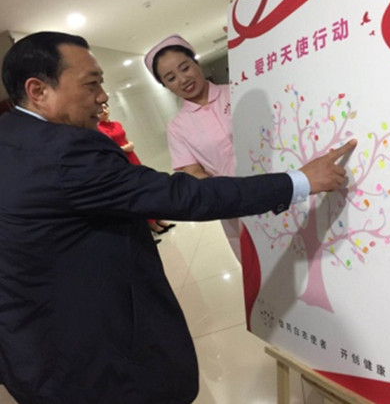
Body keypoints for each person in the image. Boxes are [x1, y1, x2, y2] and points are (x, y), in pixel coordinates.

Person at [0, 31, 356, 404]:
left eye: (184, 67)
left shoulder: (12, 140)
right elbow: (183, 193)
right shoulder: (64, 151)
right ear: (38, 91)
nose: (103, 97)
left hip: (36, 352)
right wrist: (299, 181)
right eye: (91, 84)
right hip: (89, 362)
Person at [144, 34, 241, 260]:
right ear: (165, 86)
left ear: (196, 62)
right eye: (171, 78)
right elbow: (193, 173)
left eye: (185, 67)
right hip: (235, 205)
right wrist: (227, 196)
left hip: (279, 182)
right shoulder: (178, 127)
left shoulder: (236, 91)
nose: (183, 79)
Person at [97, 102, 175, 237]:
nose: (104, 111)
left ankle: (158, 218)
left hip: (132, 156)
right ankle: (151, 223)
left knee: (145, 187)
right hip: (121, 160)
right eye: (100, 109)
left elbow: (126, 138)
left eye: (105, 107)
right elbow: (106, 148)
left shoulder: (116, 124)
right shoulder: (98, 128)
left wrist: (130, 144)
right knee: (136, 192)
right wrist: (123, 149)